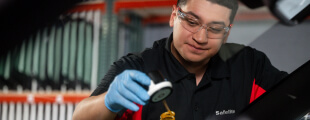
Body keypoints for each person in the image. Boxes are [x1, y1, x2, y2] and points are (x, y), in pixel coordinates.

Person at [72, 0, 288, 119]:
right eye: (192, 22)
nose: (200, 38)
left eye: (215, 28)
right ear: (174, 15)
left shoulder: (249, 64)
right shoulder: (137, 67)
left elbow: (295, 97)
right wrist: (109, 101)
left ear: (227, 33)